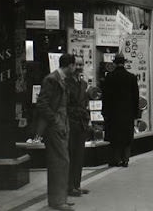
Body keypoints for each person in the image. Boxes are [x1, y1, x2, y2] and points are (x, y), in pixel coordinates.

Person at [36, 53, 76, 210]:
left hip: (61, 125)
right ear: (70, 65)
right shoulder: (52, 79)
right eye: (74, 65)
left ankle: (60, 198)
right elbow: (42, 103)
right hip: (55, 127)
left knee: (61, 162)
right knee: (60, 162)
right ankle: (58, 201)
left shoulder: (60, 79)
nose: (76, 68)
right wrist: (55, 120)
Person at [102, 53, 139, 167]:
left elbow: (105, 96)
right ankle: (126, 159)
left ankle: (117, 159)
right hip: (128, 113)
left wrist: (105, 112)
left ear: (114, 62)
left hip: (113, 114)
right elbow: (135, 97)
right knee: (127, 137)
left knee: (115, 137)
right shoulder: (131, 77)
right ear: (124, 62)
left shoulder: (109, 77)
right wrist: (135, 113)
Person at [65, 56, 91, 198]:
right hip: (71, 122)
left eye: (81, 64)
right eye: (77, 64)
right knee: (71, 155)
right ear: (72, 66)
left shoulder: (83, 83)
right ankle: (69, 186)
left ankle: (76, 184)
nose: (79, 67)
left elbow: (84, 103)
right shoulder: (66, 83)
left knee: (79, 156)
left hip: (81, 124)